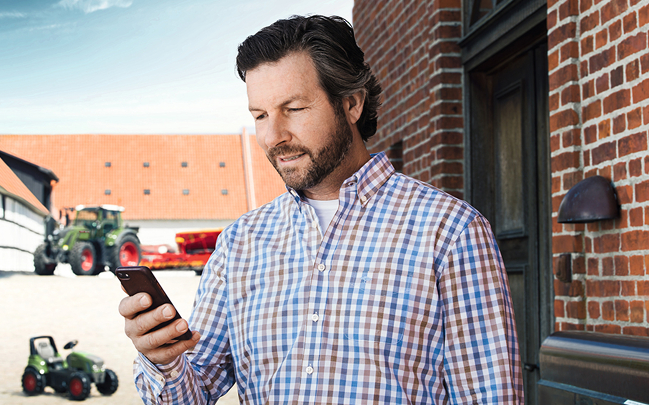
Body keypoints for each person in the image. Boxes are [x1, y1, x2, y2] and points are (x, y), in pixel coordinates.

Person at [119, 15, 524, 404]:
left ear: (351, 103)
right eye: (260, 115)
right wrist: (164, 359)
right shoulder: (240, 243)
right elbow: (194, 394)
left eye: (293, 109)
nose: (273, 136)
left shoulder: (451, 231)